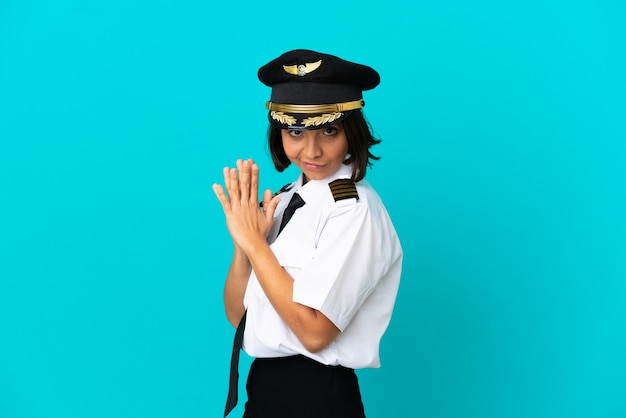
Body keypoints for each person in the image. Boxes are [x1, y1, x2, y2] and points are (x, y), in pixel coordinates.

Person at [212, 49, 403, 418]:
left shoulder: (355, 210)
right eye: (295, 132)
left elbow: (316, 334)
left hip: (317, 394)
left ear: (352, 131)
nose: (311, 150)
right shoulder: (285, 201)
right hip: (265, 386)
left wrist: (258, 246)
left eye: (329, 130)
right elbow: (240, 318)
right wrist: (244, 244)